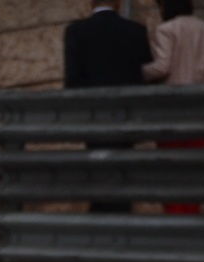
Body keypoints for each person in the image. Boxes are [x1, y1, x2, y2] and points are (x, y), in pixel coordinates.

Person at [143, 0, 204, 213]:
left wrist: (137, 71)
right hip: (202, 109)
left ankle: (176, 218)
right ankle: (192, 216)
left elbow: (161, 67)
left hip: (171, 110)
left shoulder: (166, 29)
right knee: (196, 168)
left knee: (170, 169)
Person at [65, 2, 153, 213]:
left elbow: (73, 82)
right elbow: (146, 75)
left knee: (99, 170)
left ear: (91, 2)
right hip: (126, 117)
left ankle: (101, 217)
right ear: (119, 3)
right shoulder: (136, 31)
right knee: (122, 171)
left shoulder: (76, 31)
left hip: (93, 118)